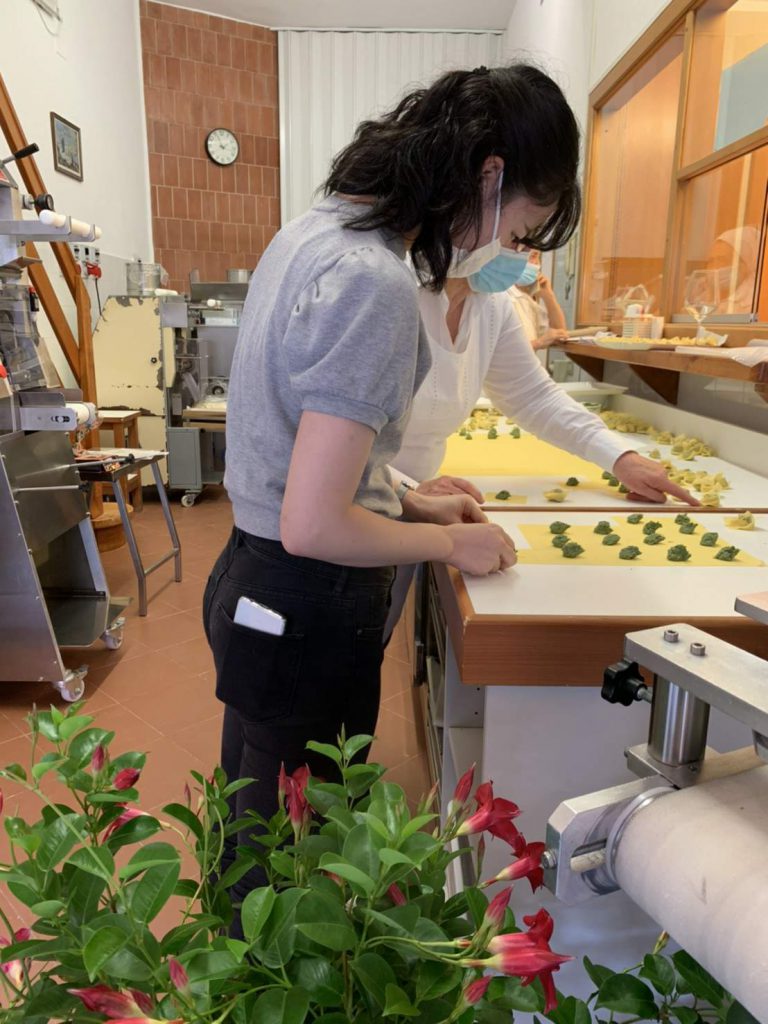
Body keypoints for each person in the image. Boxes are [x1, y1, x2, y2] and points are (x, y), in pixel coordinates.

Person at [202, 63, 582, 928]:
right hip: (305, 605)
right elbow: (314, 522)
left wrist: (410, 503)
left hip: (251, 586)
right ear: (489, 176)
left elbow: (302, 456)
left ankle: (229, 971)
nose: (510, 251)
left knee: (249, 830)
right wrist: (450, 543)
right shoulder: (375, 280)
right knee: (288, 877)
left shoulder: (314, 230)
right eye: (520, 226)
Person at [385, 271, 698, 637]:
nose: (522, 256)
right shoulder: (387, 285)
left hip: (405, 507)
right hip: (360, 503)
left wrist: (621, 458)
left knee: (373, 632)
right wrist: (408, 491)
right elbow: (332, 439)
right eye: (517, 242)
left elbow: (532, 395)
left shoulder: (492, 305)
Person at [509, 249, 569, 350]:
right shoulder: (501, 296)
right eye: (533, 256)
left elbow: (560, 333)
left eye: (538, 258)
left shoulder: (525, 299)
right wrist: (539, 342)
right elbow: (502, 351)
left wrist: (548, 295)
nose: (537, 264)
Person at [709, 226, 760, 315]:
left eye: (721, 260)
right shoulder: (703, 293)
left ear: (745, 265)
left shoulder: (755, 303)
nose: (714, 267)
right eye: (711, 261)